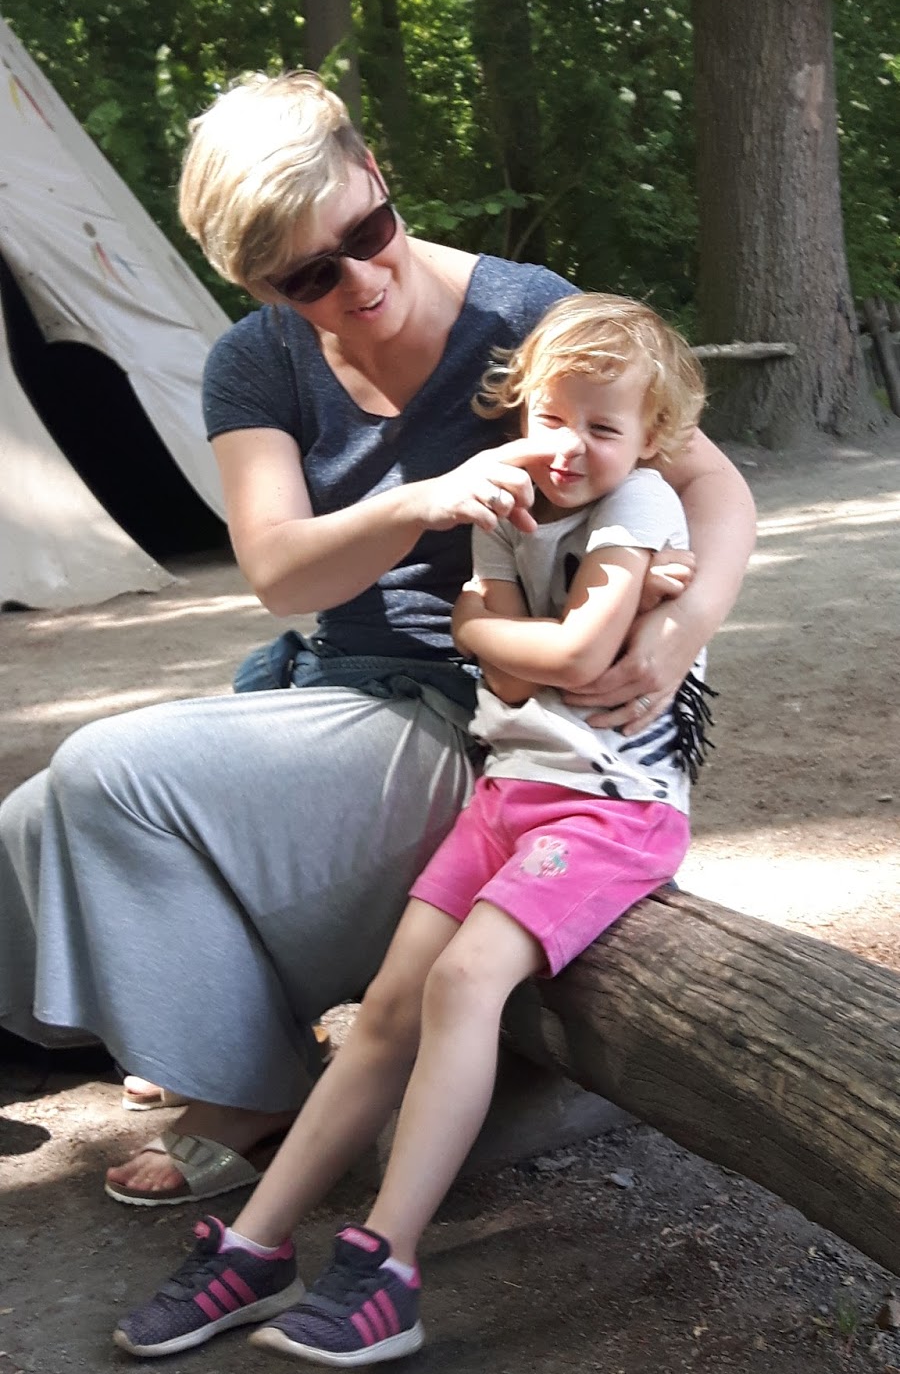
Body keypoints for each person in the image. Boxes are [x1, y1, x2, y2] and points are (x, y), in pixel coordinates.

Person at [0, 70, 754, 1208]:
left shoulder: (524, 313)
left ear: (374, 173)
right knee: (29, 813)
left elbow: (714, 484)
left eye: (366, 234)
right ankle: (151, 1026)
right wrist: (423, 501)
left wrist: (682, 630)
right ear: (255, 284)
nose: (360, 281)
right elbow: (280, 572)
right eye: (309, 276)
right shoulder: (257, 361)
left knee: (108, 771)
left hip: (489, 713)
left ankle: (248, 1090)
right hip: (343, 688)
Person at [113, 292, 711, 1364]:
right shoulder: (507, 501)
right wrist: (509, 631)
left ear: (651, 438)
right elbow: (506, 661)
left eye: (603, 426)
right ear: (522, 408)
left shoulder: (643, 503)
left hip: (612, 806)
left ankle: (385, 1263)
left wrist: (490, 629)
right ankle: (254, 1246)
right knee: (388, 1005)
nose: (569, 446)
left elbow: (573, 660)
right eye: (551, 416)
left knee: (462, 983)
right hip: (510, 789)